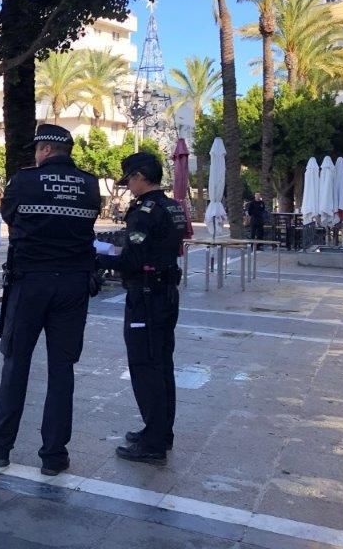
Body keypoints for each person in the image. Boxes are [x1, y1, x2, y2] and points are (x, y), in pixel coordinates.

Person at [0, 124, 101, 477]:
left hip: (29, 284)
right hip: (74, 285)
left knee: (16, 364)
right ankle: (54, 455)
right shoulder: (90, 185)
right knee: (62, 370)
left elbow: (12, 220)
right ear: (68, 151)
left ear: (44, 150)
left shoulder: (22, 182)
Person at [98, 152, 187, 465]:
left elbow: (132, 260)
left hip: (146, 297)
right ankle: (161, 431)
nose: (129, 187)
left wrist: (97, 257)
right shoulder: (173, 207)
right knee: (161, 364)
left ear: (139, 176)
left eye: (130, 180)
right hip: (166, 293)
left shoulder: (144, 212)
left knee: (145, 366)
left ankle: (153, 442)